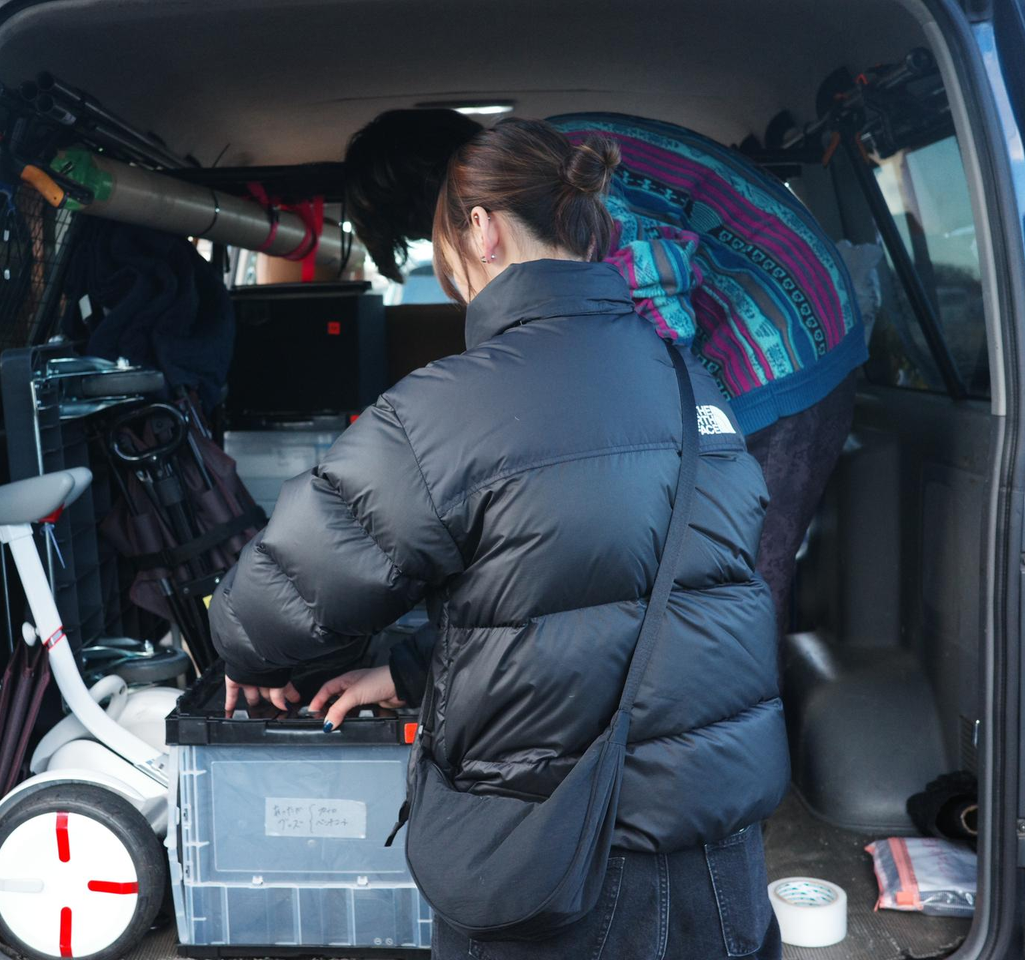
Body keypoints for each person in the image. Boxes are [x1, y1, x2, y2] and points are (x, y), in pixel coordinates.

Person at [209, 118, 787, 959]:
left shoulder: (448, 408)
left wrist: (247, 656)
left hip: (553, 863)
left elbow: (269, 609)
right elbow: (605, 600)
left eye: (444, 248)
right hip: (720, 866)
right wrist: (408, 672)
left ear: (480, 229)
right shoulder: (693, 385)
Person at [345, 109, 864, 641]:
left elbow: (641, 361)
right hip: (765, 316)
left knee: (733, 592)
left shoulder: (560, 183)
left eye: (449, 249)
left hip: (784, 329)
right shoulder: (538, 169)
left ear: (474, 220)